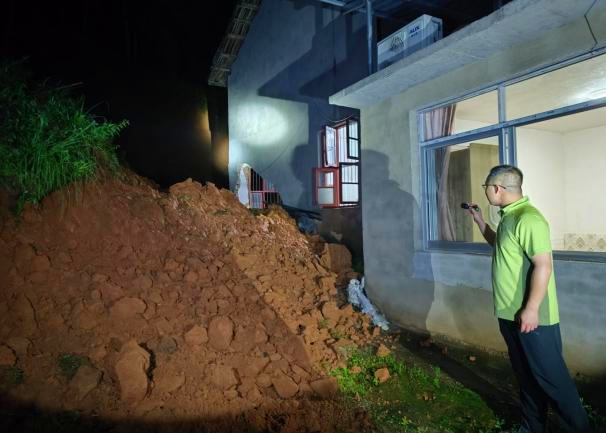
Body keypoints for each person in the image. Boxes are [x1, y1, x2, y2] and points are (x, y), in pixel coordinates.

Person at [465, 165, 589, 433]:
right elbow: (500, 245)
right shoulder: (509, 217)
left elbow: (543, 265)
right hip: (510, 314)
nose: (485, 192)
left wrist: (531, 309)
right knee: (526, 375)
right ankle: (532, 426)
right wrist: (480, 222)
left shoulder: (529, 219)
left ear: (496, 188)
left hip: (534, 319)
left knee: (552, 379)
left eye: (486, 187)